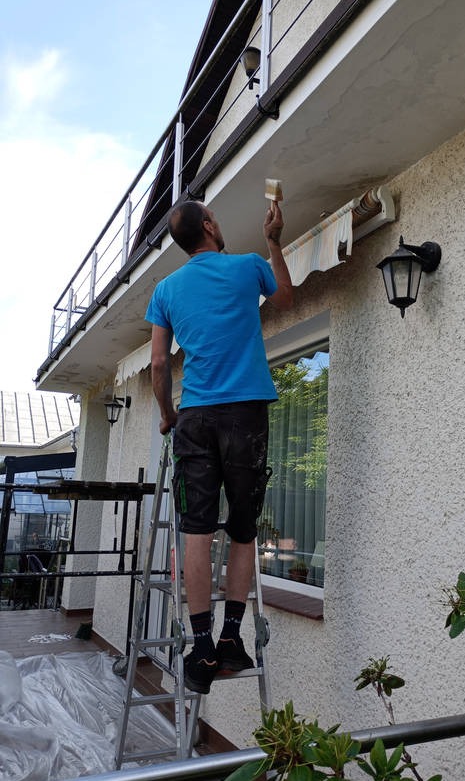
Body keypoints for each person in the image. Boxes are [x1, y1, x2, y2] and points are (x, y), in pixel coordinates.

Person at [145, 198, 293, 694]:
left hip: (196, 417)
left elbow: (160, 366)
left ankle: (202, 646)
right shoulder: (250, 266)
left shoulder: (165, 289)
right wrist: (273, 242)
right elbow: (287, 301)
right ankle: (232, 638)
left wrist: (168, 415)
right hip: (246, 413)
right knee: (244, 530)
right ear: (208, 226)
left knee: (196, 531)